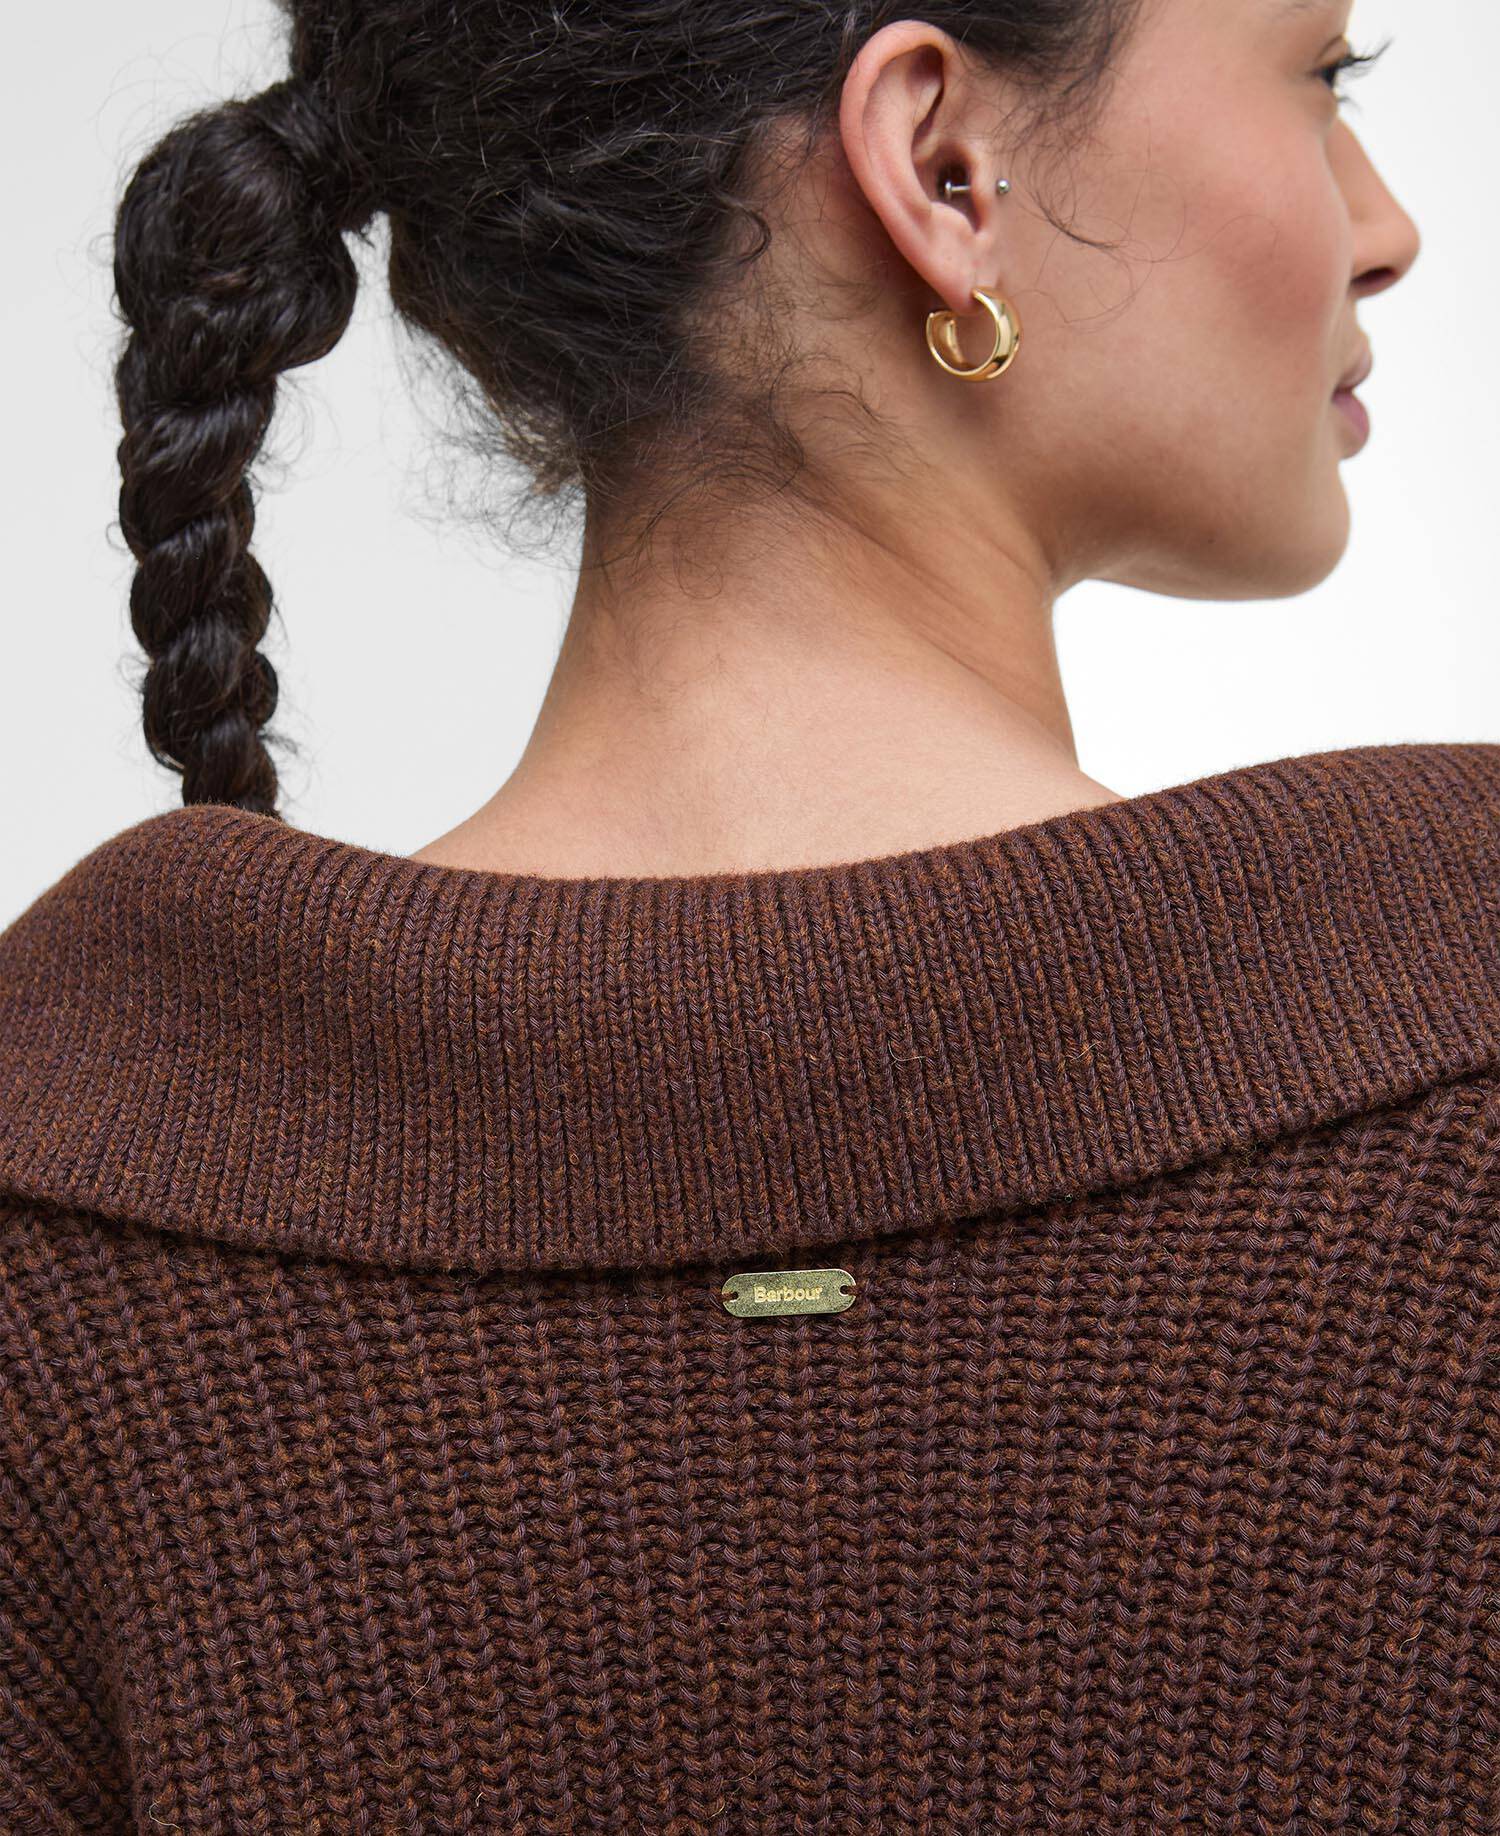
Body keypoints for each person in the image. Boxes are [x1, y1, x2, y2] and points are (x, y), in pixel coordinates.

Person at [1, 1, 1493, 1830]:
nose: (1386, 225)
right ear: (942, 166)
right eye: (1322, 78)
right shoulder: (1456, 1038)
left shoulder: (66, 1186)